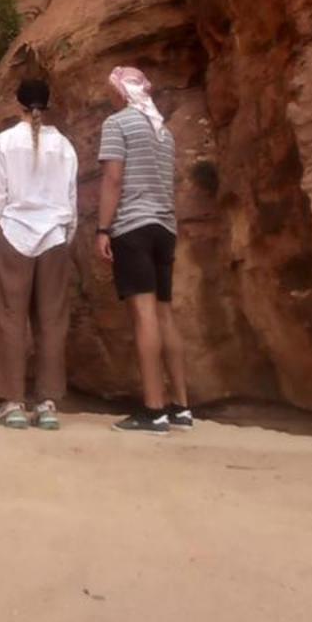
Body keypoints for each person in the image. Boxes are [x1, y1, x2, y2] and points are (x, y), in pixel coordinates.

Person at [95, 66, 193, 434]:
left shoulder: (118, 123)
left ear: (121, 93)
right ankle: (181, 406)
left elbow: (113, 178)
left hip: (133, 225)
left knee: (144, 313)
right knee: (165, 314)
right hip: (165, 228)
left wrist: (103, 228)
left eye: (111, 90)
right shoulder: (163, 132)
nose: (110, 96)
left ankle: (154, 410)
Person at [0, 77, 78, 430]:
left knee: (11, 316)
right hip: (53, 235)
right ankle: (48, 403)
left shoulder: (5, 142)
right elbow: (71, 199)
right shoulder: (65, 146)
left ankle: (13, 402)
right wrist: (67, 234)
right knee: (52, 319)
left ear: (18, 103)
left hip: (14, 232)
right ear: (47, 104)